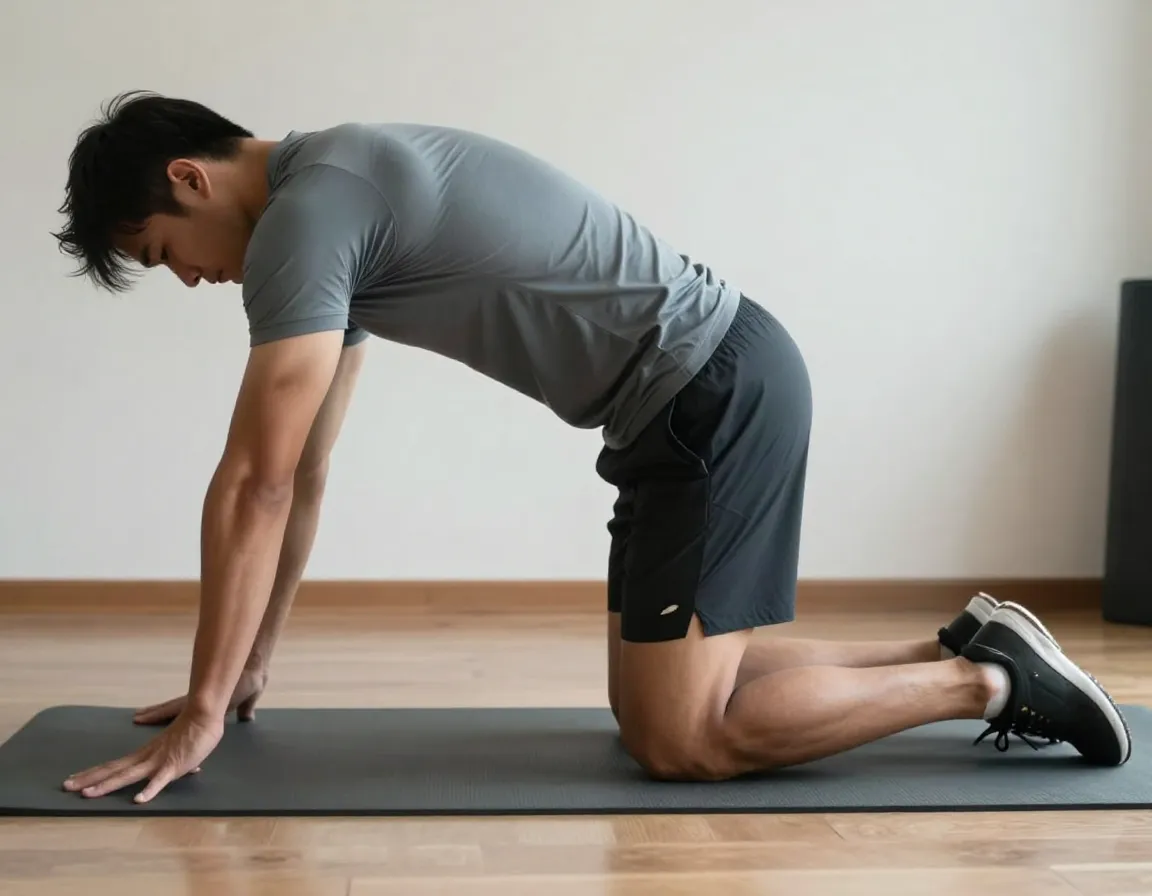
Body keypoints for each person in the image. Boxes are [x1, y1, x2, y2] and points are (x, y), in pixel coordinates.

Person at [52, 91, 1130, 804]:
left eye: (164, 254)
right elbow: (307, 465)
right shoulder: (335, 196)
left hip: (711, 390)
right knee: (656, 706)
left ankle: (989, 688)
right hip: (687, 403)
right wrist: (248, 663)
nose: (190, 278)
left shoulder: (310, 212)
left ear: (190, 179)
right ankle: (970, 646)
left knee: (683, 738)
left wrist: (200, 712)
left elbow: (257, 481)